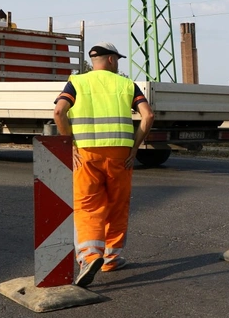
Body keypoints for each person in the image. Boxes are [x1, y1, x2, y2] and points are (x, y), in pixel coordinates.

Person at [52, 41, 155, 287]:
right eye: (117, 59)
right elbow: (148, 115)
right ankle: (111, 258)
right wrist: (135, 147)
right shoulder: (126, 84)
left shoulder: (76, 82)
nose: (118, 64)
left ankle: (89, 257)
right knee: (117, 206)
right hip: (120, 154)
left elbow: (59, 112)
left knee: (88, 206)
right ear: (111, 60)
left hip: (86, 154)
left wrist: (71, 145)